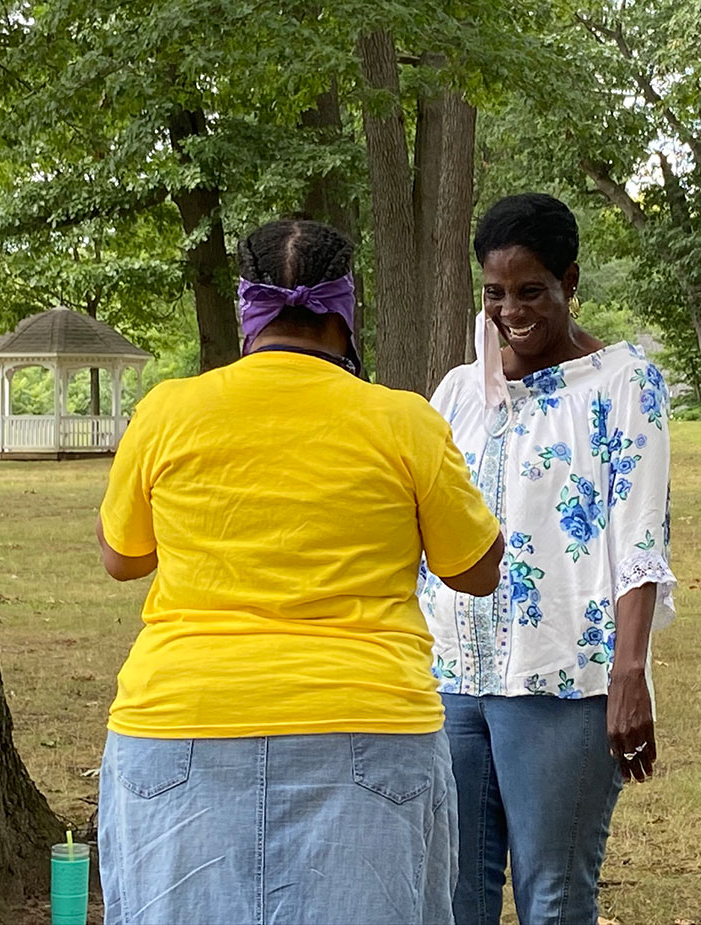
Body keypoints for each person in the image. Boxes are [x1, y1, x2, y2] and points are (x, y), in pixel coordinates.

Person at [95, 218, 504, 925]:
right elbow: (475, 569)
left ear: (247, 312)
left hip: (181, 723)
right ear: (347, 311)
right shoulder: (403, 421)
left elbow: (123, 557)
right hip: (369, 726)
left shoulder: (168, 410)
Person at [418, 192, 676, 925]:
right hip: (452, 681)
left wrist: (629, 675)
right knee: (454, 896)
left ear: (570, 280)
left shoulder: (624, 385)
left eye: (531, 291)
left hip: (564, 683)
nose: (511, 311)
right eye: (495, 293)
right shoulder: (461, 391)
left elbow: (639, 541)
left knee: (554, 898)